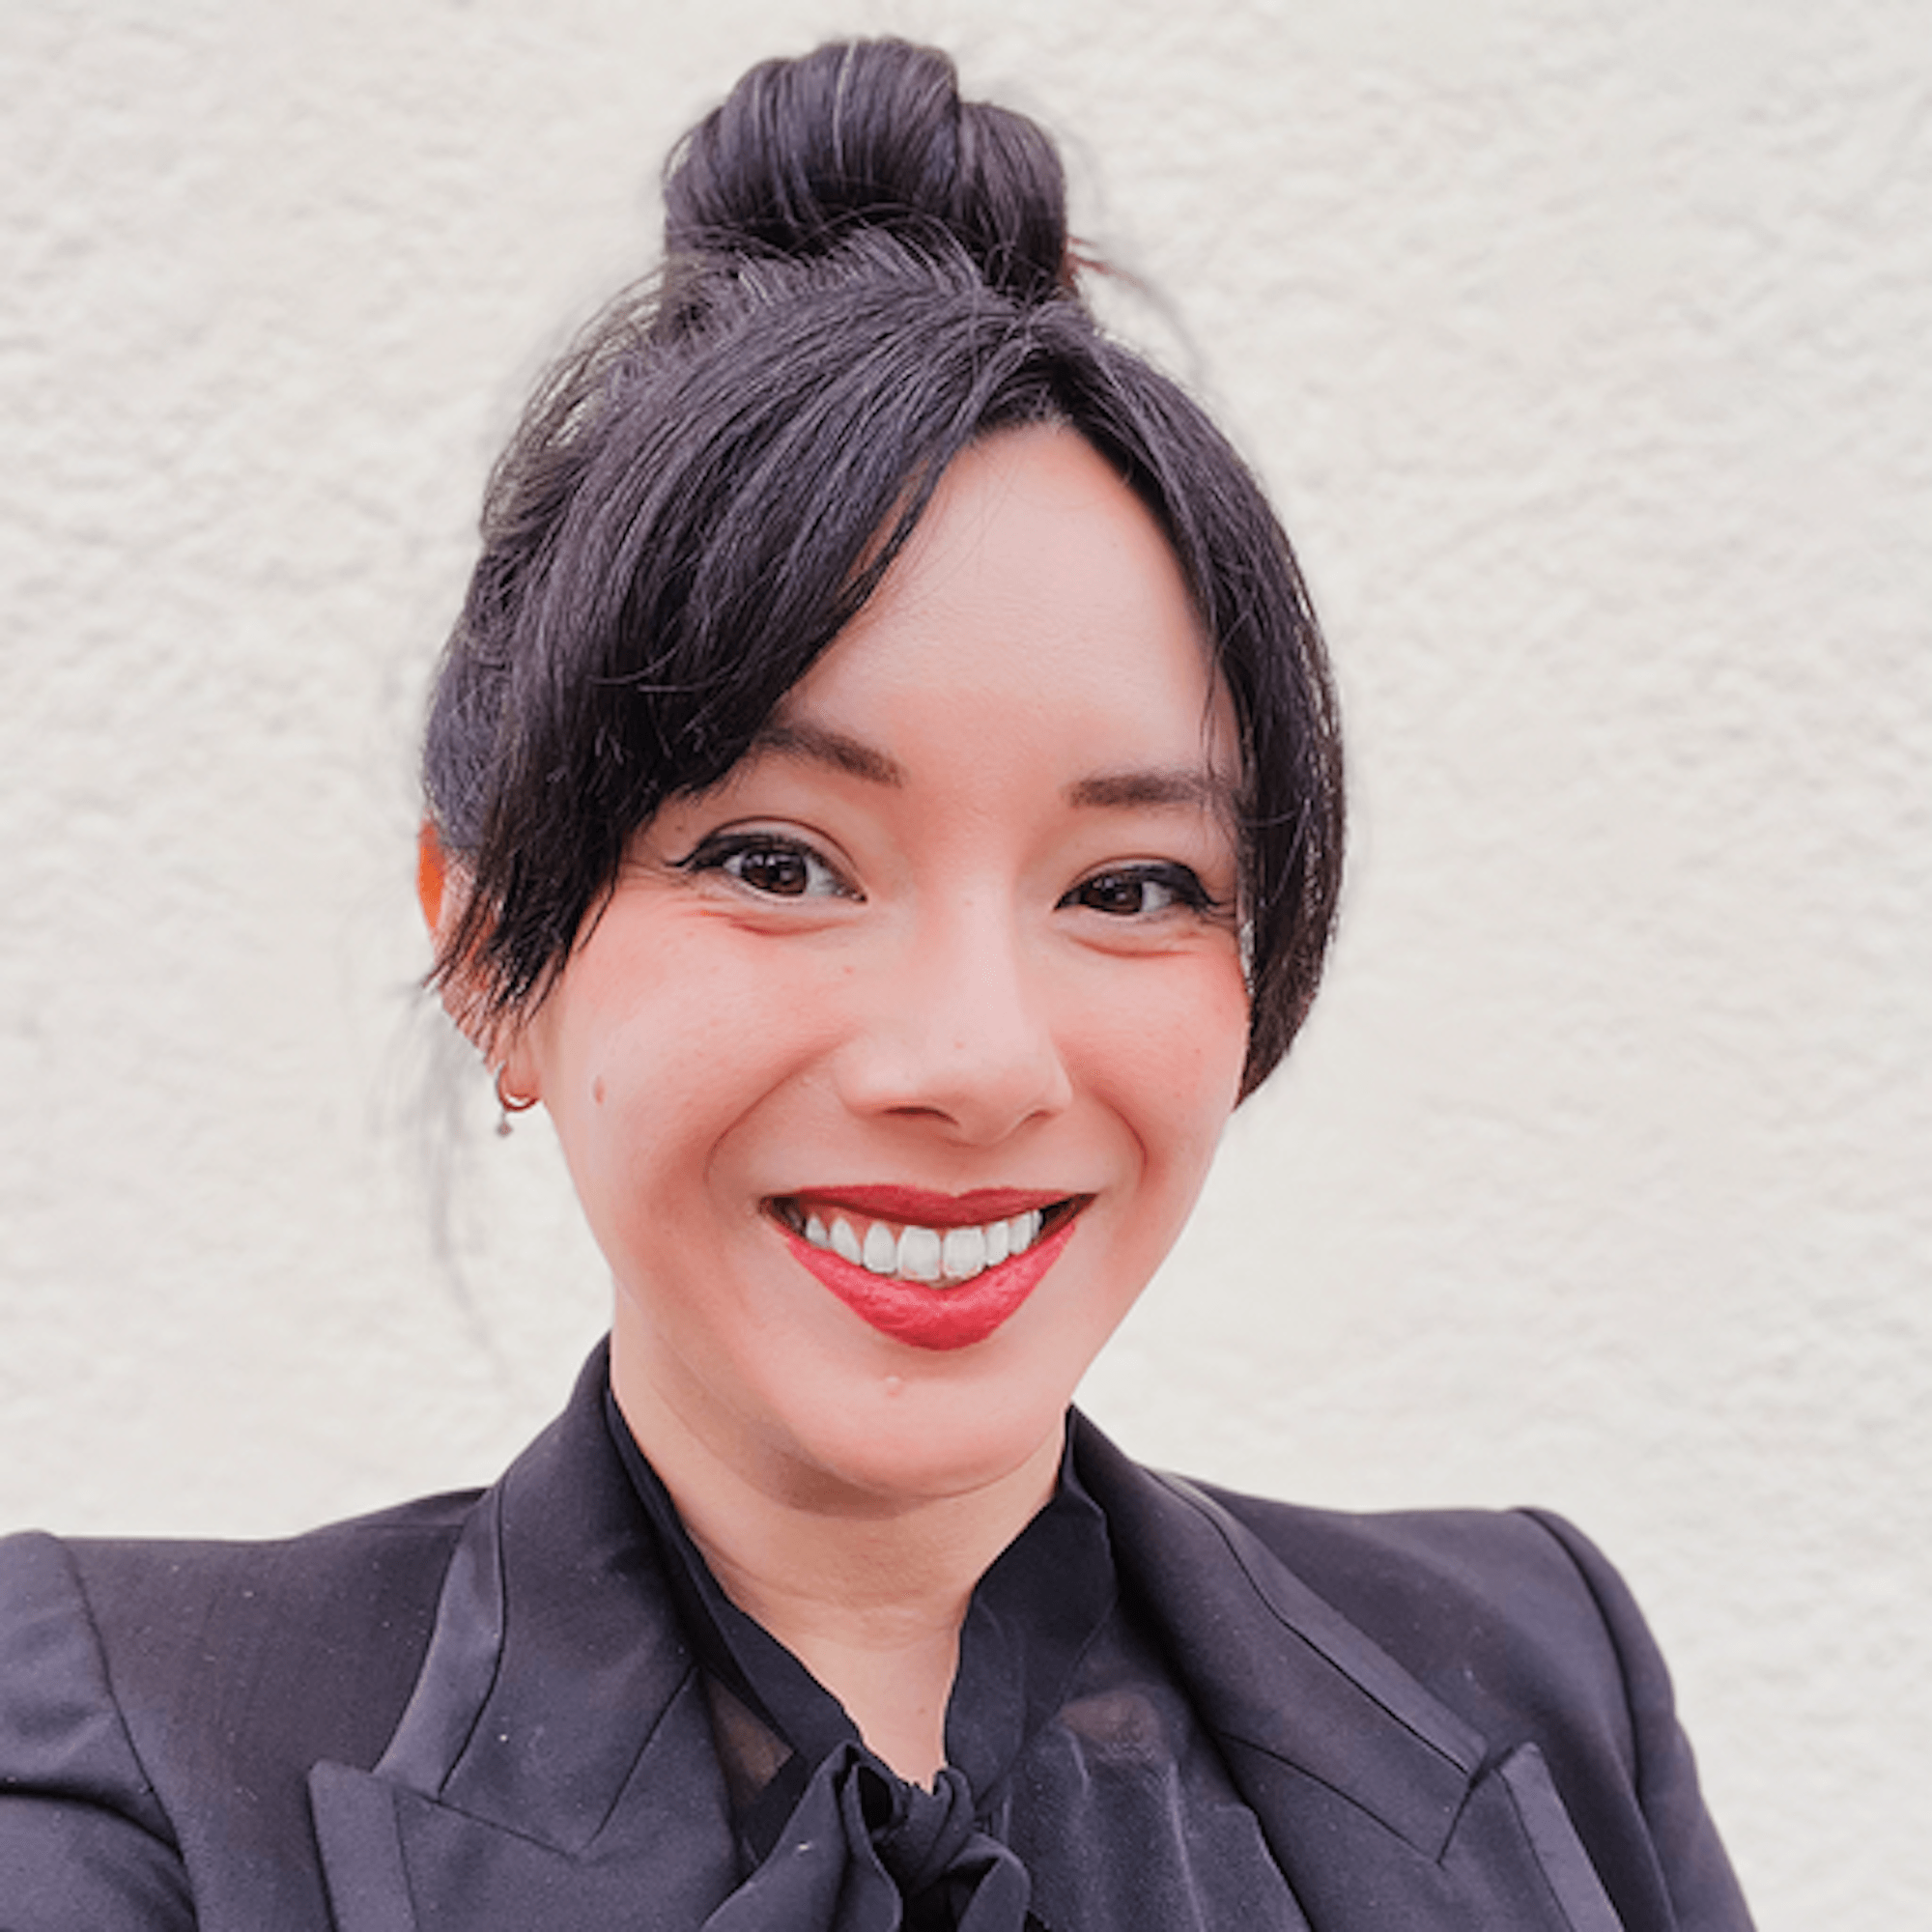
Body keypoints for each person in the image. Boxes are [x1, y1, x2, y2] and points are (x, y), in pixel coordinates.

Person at [0, 38, 1751, 1932]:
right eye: (779, 862)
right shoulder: (142, 1751)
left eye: (1130, 884)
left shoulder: (1534, 1673)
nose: (976, 1060)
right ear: (490, 943)